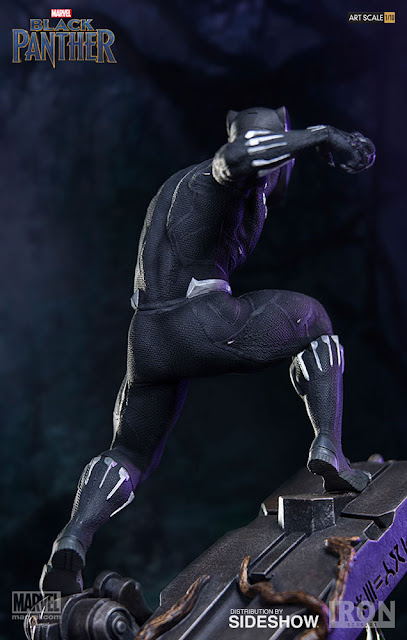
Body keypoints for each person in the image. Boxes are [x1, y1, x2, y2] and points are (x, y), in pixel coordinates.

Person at [40, 107, 376, 596]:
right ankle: (330, 448)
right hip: (199, 317)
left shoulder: (175, 186)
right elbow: (240, 157)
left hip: (147, 337)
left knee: (129, 451)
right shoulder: (218, 178)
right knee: (316, 321)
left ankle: (73, 539)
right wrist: (322, 135)